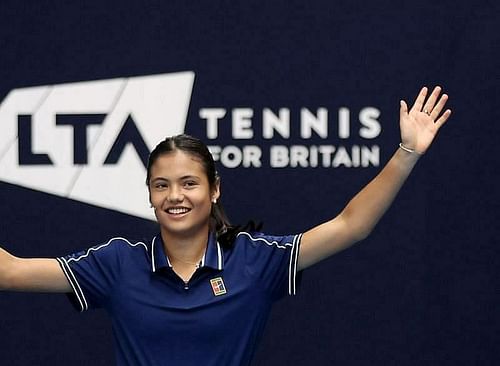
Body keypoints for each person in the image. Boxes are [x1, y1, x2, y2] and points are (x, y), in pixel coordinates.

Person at [0, 86, 451, 365]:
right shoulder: (117, 264)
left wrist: (406, 153)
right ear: (150, 194)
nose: (175, 196)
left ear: (214, 189)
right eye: (161, 185)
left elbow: (351, 225)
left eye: (189, 183)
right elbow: (10, 271)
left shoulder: (255, 261)